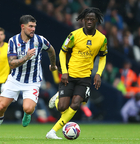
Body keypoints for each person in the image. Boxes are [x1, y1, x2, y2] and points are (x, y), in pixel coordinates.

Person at [0, 15, 57, 140]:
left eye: (34, 26)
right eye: (30, 26)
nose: (33, 29)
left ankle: (27, 114)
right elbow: (11, 64)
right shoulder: (13, 41)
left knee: (28, 108)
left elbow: (51, 50)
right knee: (1, 106)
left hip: (32, 81)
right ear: (22, 26)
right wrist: (26, 57)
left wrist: (53, 65)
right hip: (14, 80)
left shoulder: (40, 40)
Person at [46, 7, 108, 139]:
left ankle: (52, 131)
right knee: (62, 107)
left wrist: (98, 73)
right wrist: (64, 71)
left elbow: (103, 56)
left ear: (96, 20)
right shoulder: (74, 35)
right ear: (83, 20)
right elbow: (63, 52)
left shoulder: (102, 39)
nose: (89, 21)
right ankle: (58, 98)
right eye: (87, 19)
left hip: (85, 78)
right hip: (70, 75)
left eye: (92, 19)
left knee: (75, 103)